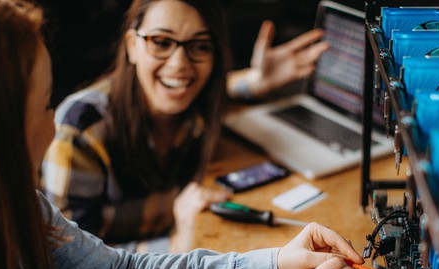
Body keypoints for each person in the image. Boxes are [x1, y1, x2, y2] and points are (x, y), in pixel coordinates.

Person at [0, 1, 362, 269]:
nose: (52, 126)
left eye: (199, 46)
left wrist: (275, 264)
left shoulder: (18, 204)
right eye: (43, 106)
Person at [41, 0, 329, 253]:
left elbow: (223, 90)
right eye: (162, 42)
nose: (179, 64)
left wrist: (255, 82)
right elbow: (76, 267)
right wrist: (177, 242)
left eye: (200, 46)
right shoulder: (79, 131)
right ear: (132, 46)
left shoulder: (196, 102)